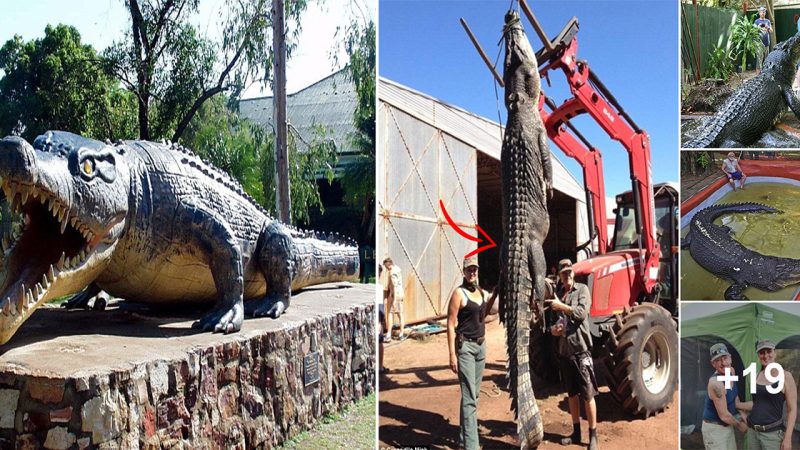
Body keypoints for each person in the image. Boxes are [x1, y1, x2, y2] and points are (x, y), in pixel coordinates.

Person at [547, 260, 599, 450]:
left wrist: (561, 306)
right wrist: (554, 330)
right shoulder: (559, 296)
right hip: (565, 352)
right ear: (560, 276)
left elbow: (580, 313)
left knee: (588, 394)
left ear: (573, 274)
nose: (567, 276)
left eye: (569, 273)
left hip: (580, 351)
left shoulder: (582, 290)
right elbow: (553, 324)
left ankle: (593, 435)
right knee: (572, 395)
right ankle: (576, 432)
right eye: (563, 274)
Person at [447, 255, 497, 450]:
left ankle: (462, 440)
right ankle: (472, 446)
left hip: (480, 347)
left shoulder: (480, 291)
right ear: (464, 271)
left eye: (474, 269)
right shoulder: (458, 294)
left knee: (473, 396)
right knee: (469, 398)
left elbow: (486, 313)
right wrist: (452, 354)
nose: (472, 272)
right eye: (469, 270)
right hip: (465, 348)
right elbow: (450, 325)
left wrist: (496, 292)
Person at [745, 339, 797, 450]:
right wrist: (738, 405)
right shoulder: (755, 376)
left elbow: (792, 409)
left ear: (775, 353)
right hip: (752, 433)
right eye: (762, 352)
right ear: (758, 355)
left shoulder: (786, 376)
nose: (765, 355)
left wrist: (787, 438)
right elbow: (756, 403)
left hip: (772, 436)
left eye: (769, 351)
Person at [702, 343, 751, 450]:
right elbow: (724, 415)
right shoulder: (716, 383)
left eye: (725, 358)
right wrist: (740, 425)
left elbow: (734, 397)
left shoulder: (731, 372)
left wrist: (742, 413)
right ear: (713, 364)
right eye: (718, 360)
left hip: (728, 425)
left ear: (730, 358)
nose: (723, 363)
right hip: (715, 429)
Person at [381, 257, 406, 342]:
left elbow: (394, 286)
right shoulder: (398, 269)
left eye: (386, 266)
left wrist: (394, 298)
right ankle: (401, 333)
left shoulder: (392, 273)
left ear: (389, 264)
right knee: (400, 314)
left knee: (390, 313)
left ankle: (388, 334)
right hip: (400, 293)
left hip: (396, 295)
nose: (385, 268)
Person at [755, 7, 772, 73]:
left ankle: (766, 74)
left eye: (764, 12)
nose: (763, 13)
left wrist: (767, 27)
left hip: (766, 44)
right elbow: (753, 32)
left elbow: (771, 31)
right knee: (759, 60)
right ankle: (757, 76)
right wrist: (758, 27)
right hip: (759, 44)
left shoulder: (767, 21)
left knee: (766, 59)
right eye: (761, 12)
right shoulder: (756, 21)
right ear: (759, 13)